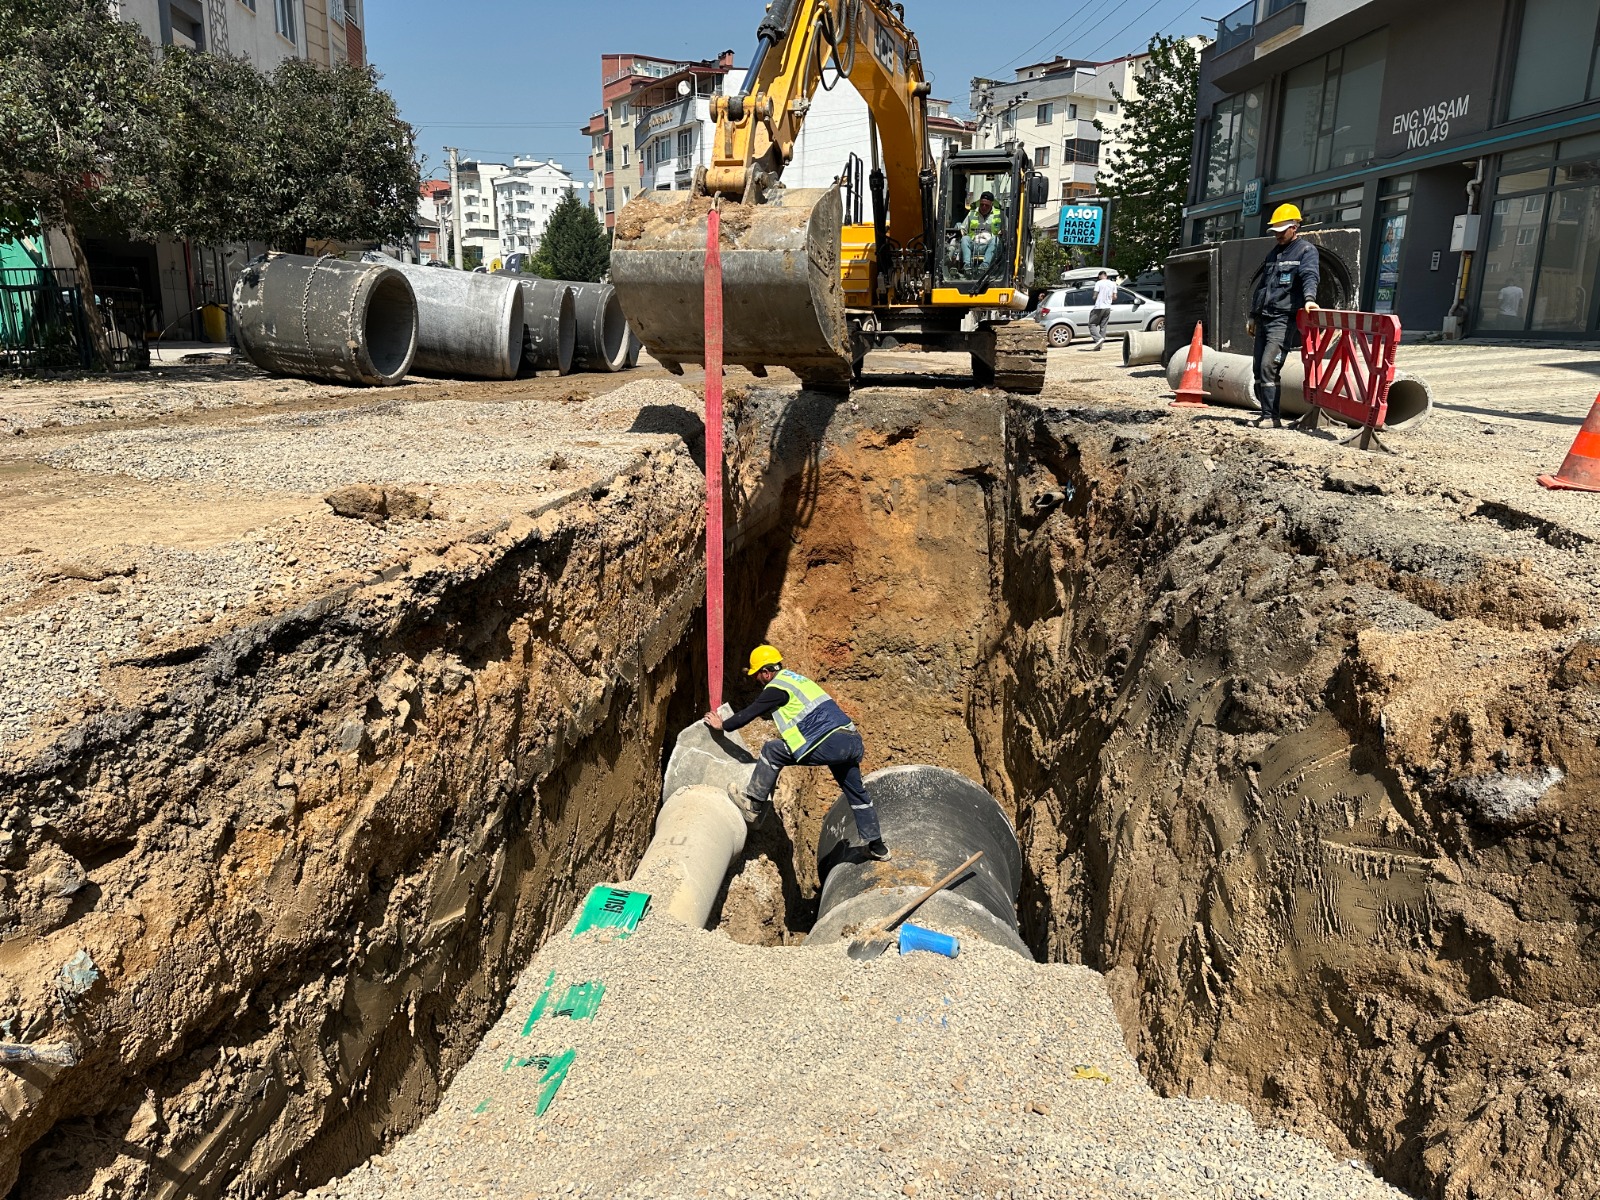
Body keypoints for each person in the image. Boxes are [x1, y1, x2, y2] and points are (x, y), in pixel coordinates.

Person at [704, 645, 890, 862]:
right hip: (850, 740)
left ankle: (752, 805)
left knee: (772, 750)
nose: (757, 680)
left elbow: (749, 713)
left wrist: (723, 725)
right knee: (857, 794)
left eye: (757, 676)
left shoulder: (775, 688)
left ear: (766, 672)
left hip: (826, 743)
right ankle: (878, 847)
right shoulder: (796, 681)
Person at [1246, 203, 1320, 428]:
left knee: (1270, 365)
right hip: (1264, 318)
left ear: (1295, 227)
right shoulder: (1274, 253)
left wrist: (1309, 299)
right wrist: (1252, 316)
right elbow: (1262, 287)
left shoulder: (1306, 251)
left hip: (1282, 319)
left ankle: (1272, 417)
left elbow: (1310, 276)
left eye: (1282, 229)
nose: (1278, 234)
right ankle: (1265, 414)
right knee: (1258, 367)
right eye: (1275, 230)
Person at [961, 191, 1003, 276]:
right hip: (974, 245)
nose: (984, 207)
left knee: (995, 240)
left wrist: (1002, 232)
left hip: (990, 246)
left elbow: (1007, 229)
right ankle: (967, 266)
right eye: (982, 204)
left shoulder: (999, 215)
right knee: (965, 239)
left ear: (991, 204)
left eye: (986, 205)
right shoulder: (972, 214)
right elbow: (963, 229)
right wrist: (963, 234)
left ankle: (984, 266)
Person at [1087, 270, 1117, 350]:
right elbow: (1115, 297)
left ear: (1100, 276)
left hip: (1099, 307)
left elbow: (1095, 295)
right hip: (1108, 307)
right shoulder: (1113, 284)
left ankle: (1098, 339)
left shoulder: (1099, 283)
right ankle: (1099, 346)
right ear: (1106, 276)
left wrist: (1094, 297)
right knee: (1103, 326)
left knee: (1091, 324)